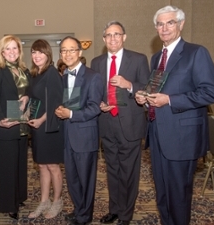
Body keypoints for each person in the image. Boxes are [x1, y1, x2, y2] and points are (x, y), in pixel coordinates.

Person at [134, 5, 214, 225]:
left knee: (178, 196)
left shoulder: (196, 52)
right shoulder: (156, 58)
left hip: (182, 138)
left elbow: (211, 93)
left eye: (170, 22)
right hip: (157, 135)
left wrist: (170, 100)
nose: (164, 28)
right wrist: (145, 98)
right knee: (162, 194)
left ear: (180, 24)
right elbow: (158, 90)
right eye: (160, 24)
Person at [91, 21, 150, 225]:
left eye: (117, 34)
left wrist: (129, 85)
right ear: (104, 39)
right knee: (112, 170)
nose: (113, 38)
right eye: (108, 35)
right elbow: (95, 91)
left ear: (124, 37)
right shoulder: (96, 62)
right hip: (106, 123)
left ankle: (126, 215)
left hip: (130, 124)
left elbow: (147, 87)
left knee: (129, 172)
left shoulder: (139, 59)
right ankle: (114, 209)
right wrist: (98, 103)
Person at [55, 36, 103, 225]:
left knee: (85, 179)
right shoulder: (65, 75)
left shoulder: (93, 76)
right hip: (68, 136)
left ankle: (85, 216)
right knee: (73, 178)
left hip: (84, 136)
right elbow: (70, 104)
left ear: (80, 53)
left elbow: (94, 108)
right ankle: (78, 209)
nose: (67, 54)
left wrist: (71, 114)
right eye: (64, 50)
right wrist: (61, 111)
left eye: (71, 49)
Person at [0, 35, 30, 220]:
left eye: (15, 48)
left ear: (19, 51)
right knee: (6, 167)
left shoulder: (23, 70)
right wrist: (0, 119)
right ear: (2, 52)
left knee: (19, 164)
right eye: (8, 48)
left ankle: (18, 197)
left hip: (21, 124)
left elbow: (28, 91)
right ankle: (8, 204)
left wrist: (27, 96)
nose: (12, 52)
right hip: (5, 126)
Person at [26, 39, 64, 219]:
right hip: (36, 127)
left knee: (53, 166)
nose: (36, 56)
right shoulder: (35, 73)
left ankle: (57, 201)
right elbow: (33, 99)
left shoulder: (52, 73)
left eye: (40, 52)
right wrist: (27, 113)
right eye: (34, 52)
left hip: (49, 126)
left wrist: (41, 119)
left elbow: (57, 102)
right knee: (41, 165)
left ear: (48, 54)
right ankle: (44, 201)